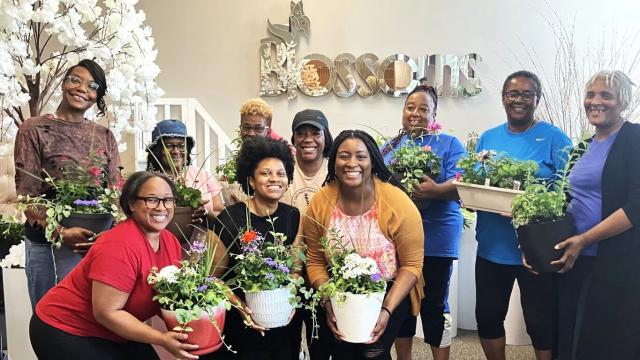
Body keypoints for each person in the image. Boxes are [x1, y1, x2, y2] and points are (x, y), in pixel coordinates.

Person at [29, 171, 199, 360]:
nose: (161, 207)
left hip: (112, 332)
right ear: (132, 204)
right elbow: (106, 313)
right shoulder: (119, 245)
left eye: (168, 200)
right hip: (64, 328)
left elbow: (167, 296)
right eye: (151, 200)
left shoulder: (170, 241)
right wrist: (161, 338)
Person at [474, 70, 572, 360]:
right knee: (488, 317)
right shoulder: (488, 138)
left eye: (527, 94)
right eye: (512, 94)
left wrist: (535, 203)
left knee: (540, 323)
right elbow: (477, 182)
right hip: (493, 247)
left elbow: (567, 190)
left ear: (537, 99)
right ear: (504, 98)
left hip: (537, 249)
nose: (519, 100)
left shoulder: (555, 138)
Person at [304, 130, 424, 360]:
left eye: (360, 156)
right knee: (342, 350)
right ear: (334, 161)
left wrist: (386, 310)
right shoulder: (321, 201)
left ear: (373, 161)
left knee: (372, 351)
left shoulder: (397, 202)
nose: (352, 163)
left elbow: (412, 265)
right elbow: (315, 261)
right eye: (344, 156)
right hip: (336, 288)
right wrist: (329, 301)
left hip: (391, 289)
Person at [14, 59, 122, 308]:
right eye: (75, 79)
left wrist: (111, 234)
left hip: (93, 242)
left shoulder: (104, 136)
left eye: (92, 86)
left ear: (98, 96)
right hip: (47, 241)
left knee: (91, 318)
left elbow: (115, 190)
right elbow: (27, 192)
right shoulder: (34, 129)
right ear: (64, 83)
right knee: (49, 318)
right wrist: (60, 233)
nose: (82, 88)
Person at [552, 70, 639, 360]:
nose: (595, 101)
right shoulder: (584, 147)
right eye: (590, 95)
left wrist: (586, 239)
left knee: (608, 341)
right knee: (573, 339)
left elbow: (636, 205)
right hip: (578, 260)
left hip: (616, 263)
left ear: (622, 102)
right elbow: (569, 200)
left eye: (606, 95)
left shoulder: (634, 139)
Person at [381, 85, 465, 360]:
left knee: (434, 305)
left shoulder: (450, 144)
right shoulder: (390, 147)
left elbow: (462, 185)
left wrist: (435, 191)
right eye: (410, 107)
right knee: (400, 305)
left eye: (423, 109)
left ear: (435, 113)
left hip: (437, 238)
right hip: (397, 240)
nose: (415, 114)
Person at [207, 136, 302, 360]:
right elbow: (211, 276)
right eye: (265, 173)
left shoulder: (293, 216)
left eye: (281, 173)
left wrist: (291, 297)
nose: (274, 179)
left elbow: (296, 268)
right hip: (242, 324)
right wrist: (241, 307)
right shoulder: (230, 219)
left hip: (283, 322)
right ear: (251, 180)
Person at [282, 109, 334, 360]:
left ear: (326, 137)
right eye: (301, 133)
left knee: (320, 337)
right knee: (288, 334)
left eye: (315, 132)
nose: (308, 139)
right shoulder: (283, 171)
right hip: (287, 264)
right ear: (293, 138)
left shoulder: (334, 170)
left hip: (322, 265)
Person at [146, 119, 225, 219]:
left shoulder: (202, 175)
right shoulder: (147, 181)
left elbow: (221, 214)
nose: (176, 151)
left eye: (181, 146)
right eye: (169, 146)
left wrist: (206, 213)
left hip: (203, 233)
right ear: (157, 150)